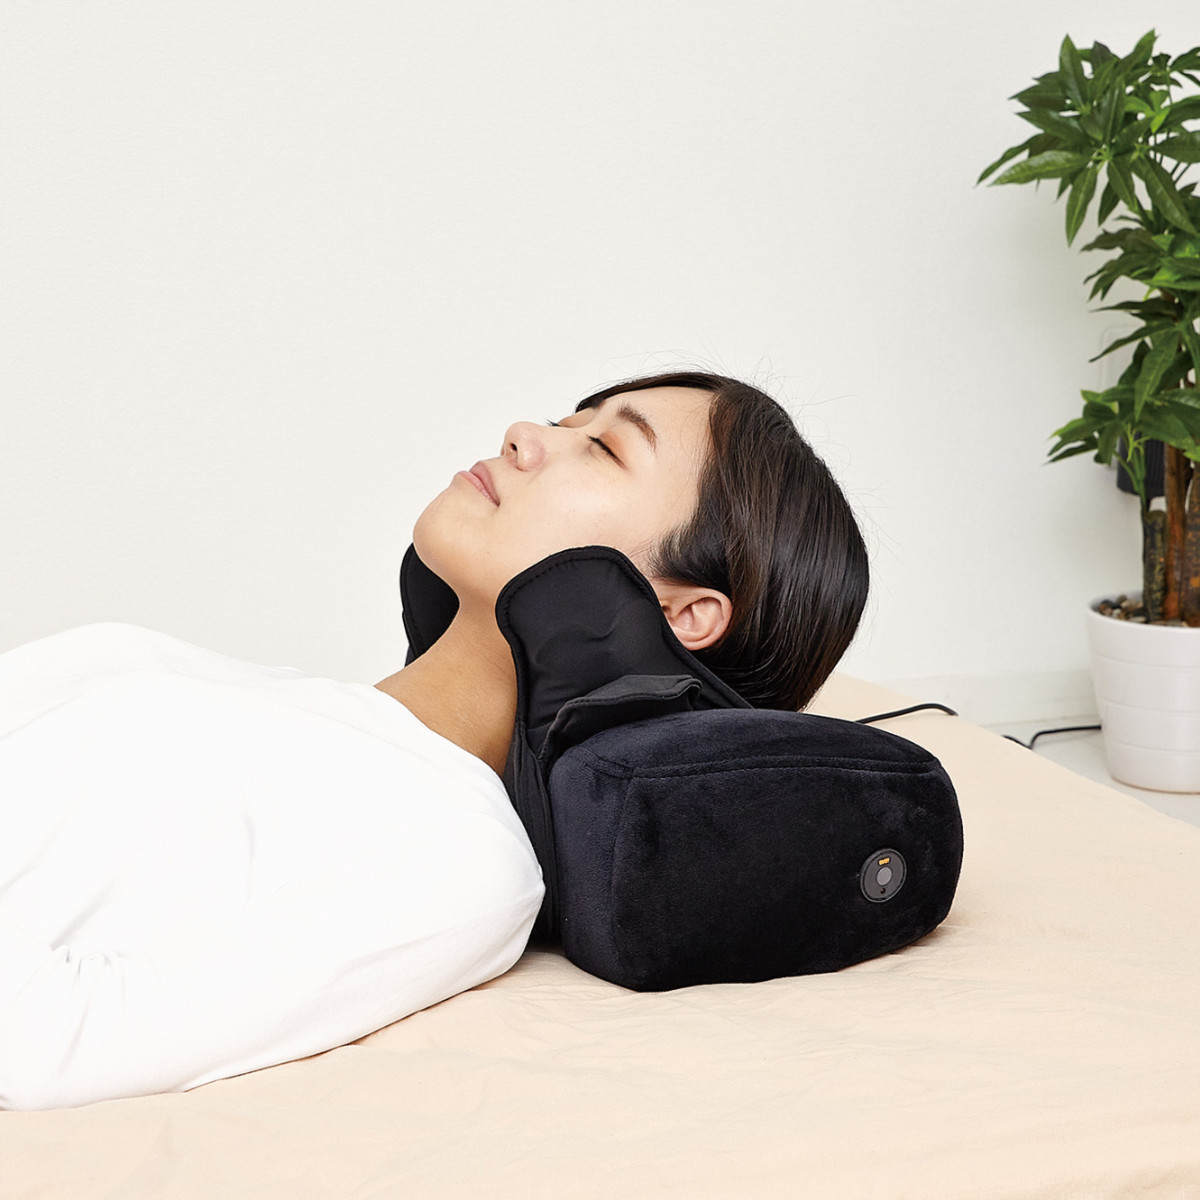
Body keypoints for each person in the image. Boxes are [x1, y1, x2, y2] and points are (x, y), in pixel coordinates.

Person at [0, 371, 868, 1110]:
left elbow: (54, 1042)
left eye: (605, 449)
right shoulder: (262, 692)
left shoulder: (465, 860)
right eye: (567, 420)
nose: (524, 433)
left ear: (684, 614)